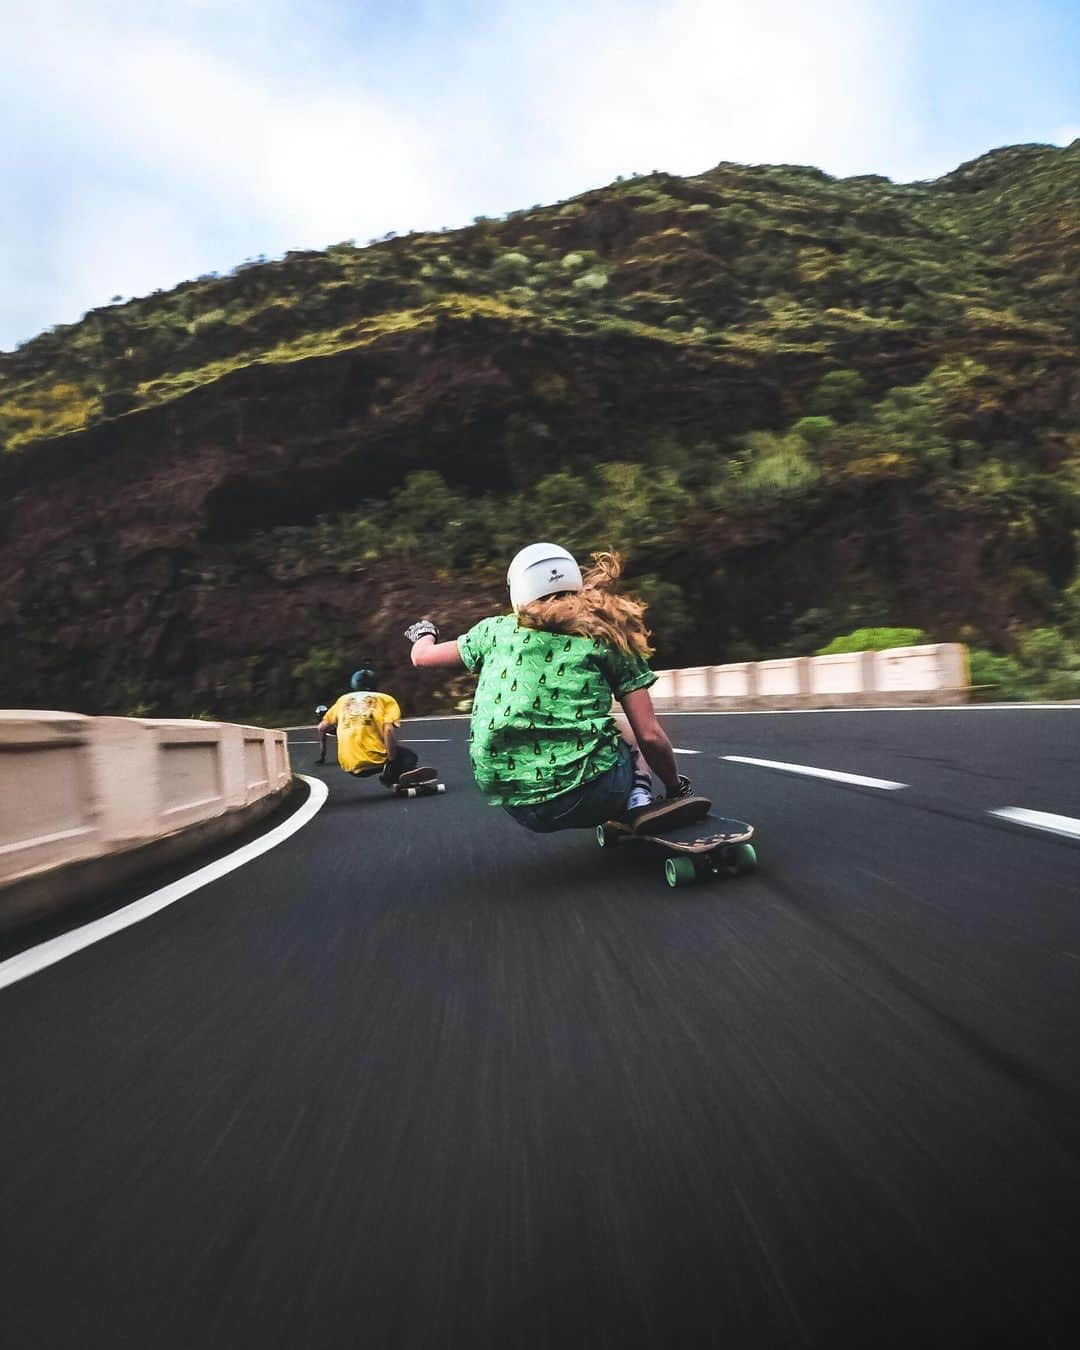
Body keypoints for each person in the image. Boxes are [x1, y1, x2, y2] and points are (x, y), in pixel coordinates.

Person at [403, 544, 700, 834]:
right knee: (627, 729)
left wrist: (424, 631)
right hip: (595, 793)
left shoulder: (492, 631)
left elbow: (422, 657)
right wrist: (675, 788)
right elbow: (650, 736)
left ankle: (615, 801)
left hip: (518, 804)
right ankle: (638, 800)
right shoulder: (606, 636)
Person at [317, 665, 436, 789]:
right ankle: (392, 776)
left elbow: (321, 728)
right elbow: (389, 730)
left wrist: (323, 755)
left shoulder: (343, 700)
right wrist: (391, 760)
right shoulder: (385, 699)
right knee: (409, 757)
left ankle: (393, 775)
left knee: (396, 756)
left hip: (348, 764)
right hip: (375, 760)